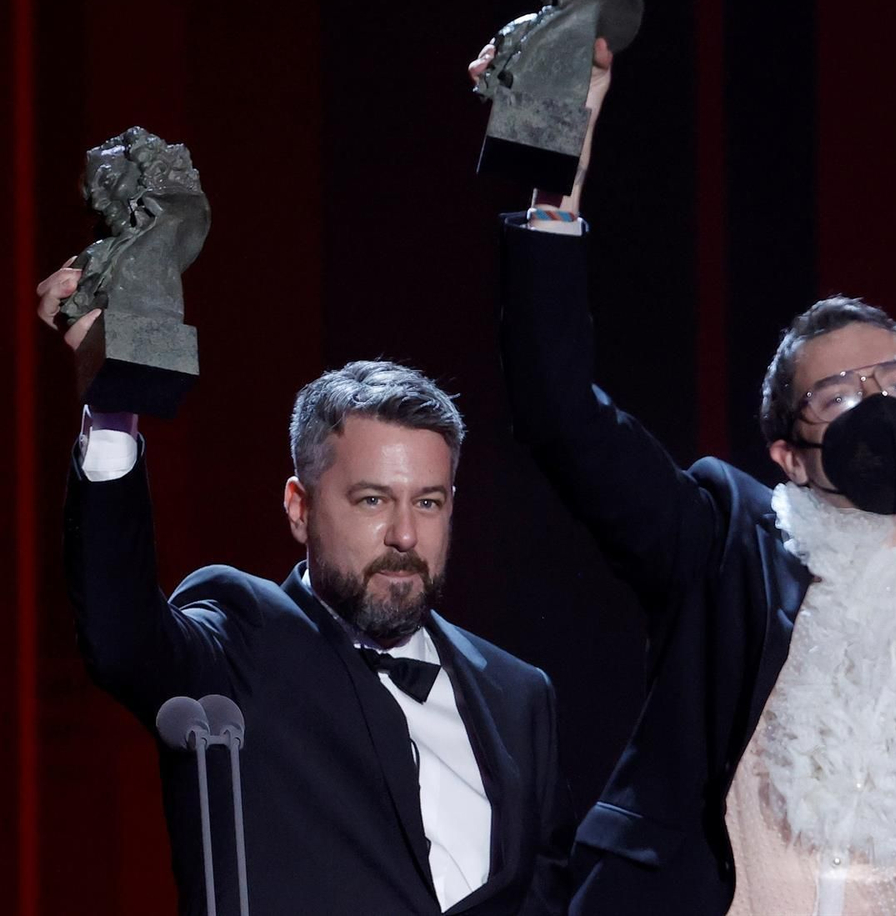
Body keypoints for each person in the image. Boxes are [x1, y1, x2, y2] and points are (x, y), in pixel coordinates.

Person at [473, 40, 896, 915]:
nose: (878, 404)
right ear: (788, 453)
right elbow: (561, 409)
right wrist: (556, 165)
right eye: (838, 394)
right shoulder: (723, 549)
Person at [36, 268, 572, 916]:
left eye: (427, 502)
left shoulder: (519, 695)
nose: (405, 533)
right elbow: (121, 636)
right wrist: (114, 405)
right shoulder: (244, 635)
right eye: (373, 498)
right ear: (299, 506)